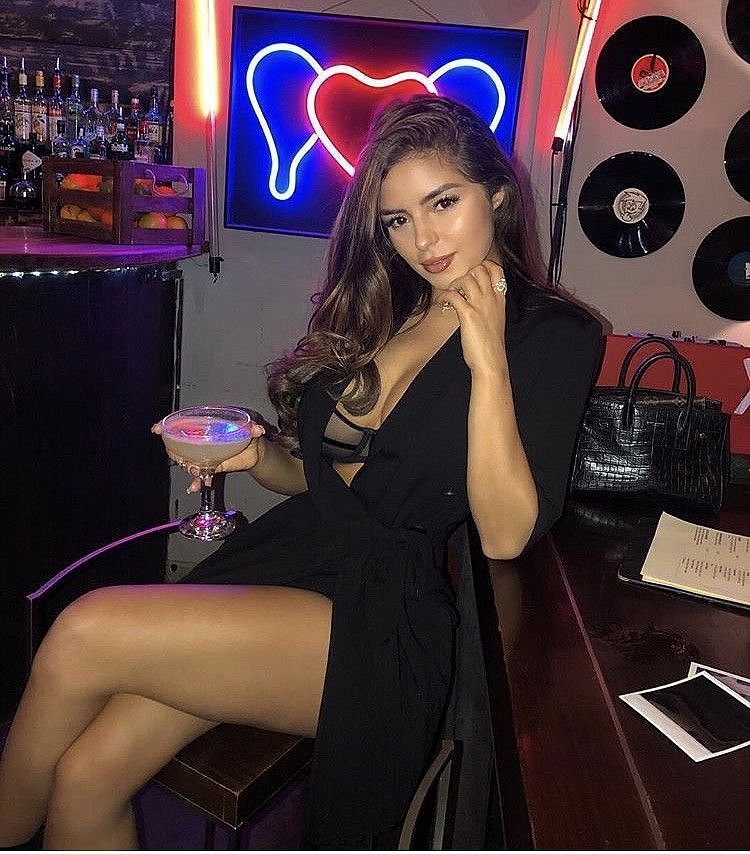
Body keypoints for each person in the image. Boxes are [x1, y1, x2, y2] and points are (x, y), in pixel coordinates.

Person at [0, 94, 602, 850]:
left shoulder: (555, 334)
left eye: (443, 203)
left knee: (81, 632)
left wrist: (486, 357)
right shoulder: (391, 307)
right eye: (397, 219)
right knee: (87, 775)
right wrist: (257, 456)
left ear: (500, 196)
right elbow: (325, 478)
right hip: (295, 555)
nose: (422, 239)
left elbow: (507, 534)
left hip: (382, 612)